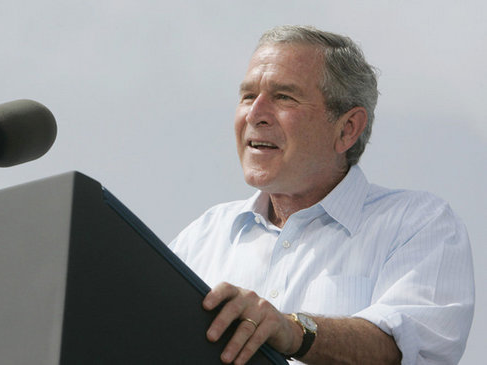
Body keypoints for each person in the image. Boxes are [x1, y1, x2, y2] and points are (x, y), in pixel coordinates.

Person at [169, 25, 474, 365]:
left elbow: (409, 348)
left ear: (347, 129)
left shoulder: (419, 224)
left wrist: (292, 331)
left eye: (284, 96)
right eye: (247, 96)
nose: (255, 115)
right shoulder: (202, 237)